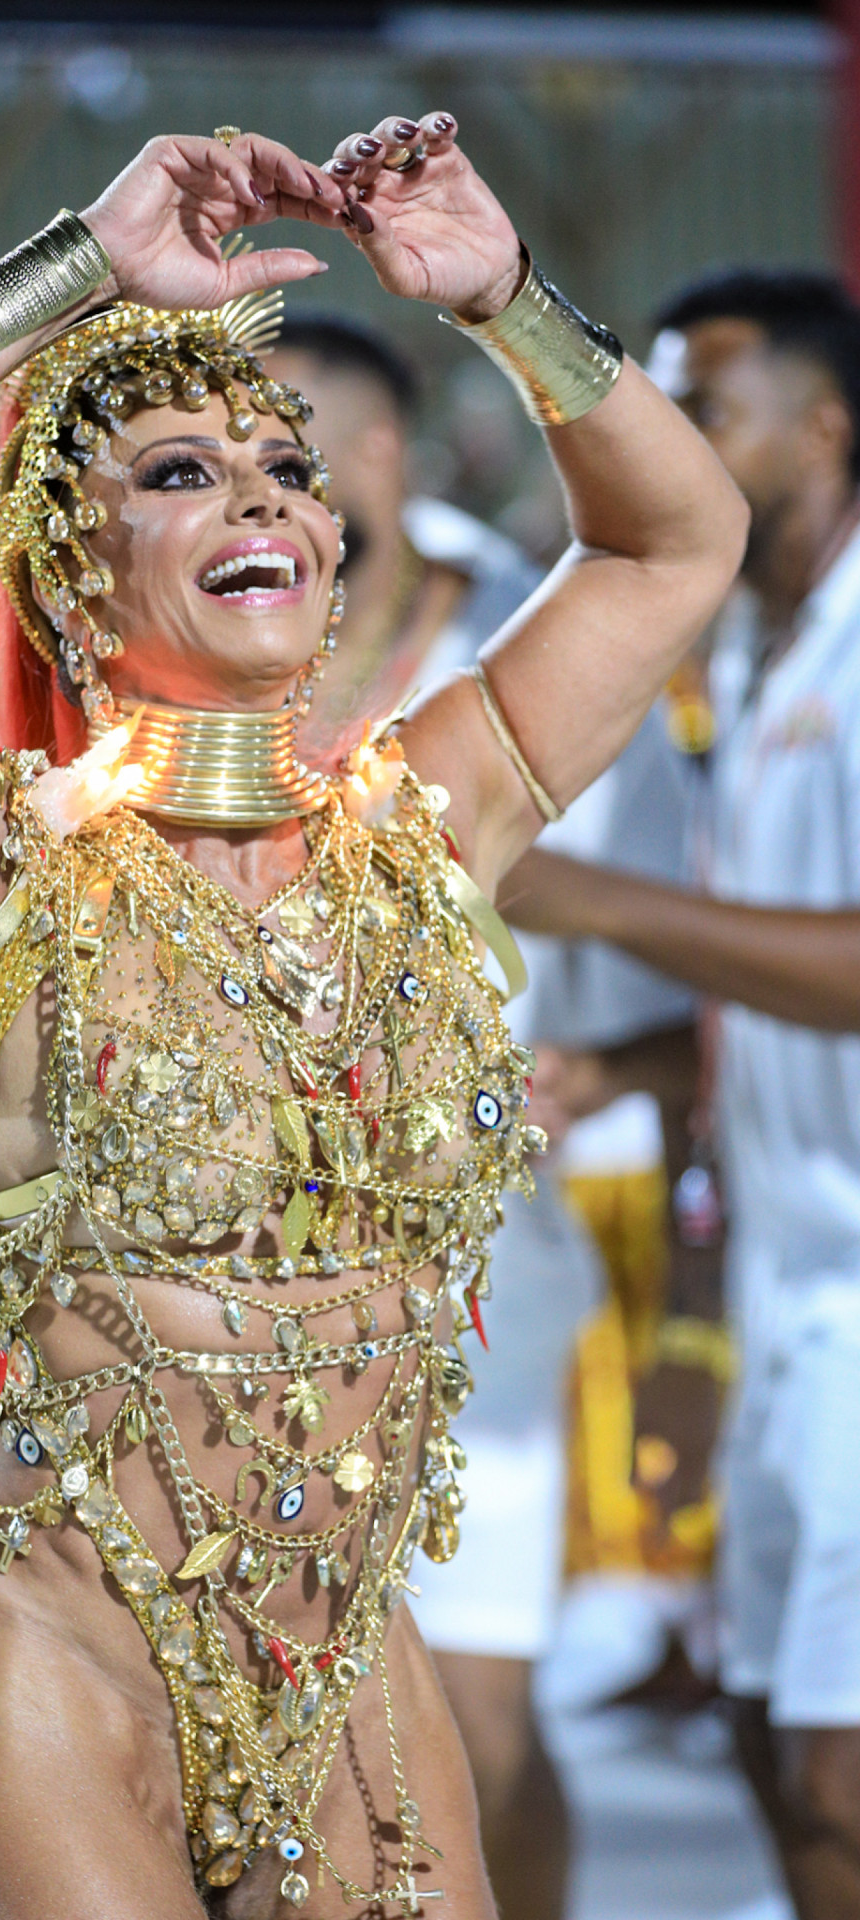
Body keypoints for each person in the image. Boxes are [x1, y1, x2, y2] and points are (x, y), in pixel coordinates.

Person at [0, 120, 745, 1919]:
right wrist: (83, 262)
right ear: (69, 564)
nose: (263, 494)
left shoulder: (427, 831)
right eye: (183, 471)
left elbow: (675, 541)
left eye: (287, 467)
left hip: (348, 1673)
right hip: (47, 1668)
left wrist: (507, 302)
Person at [269, 318, 700, 1920]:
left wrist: (594, 1079)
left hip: (473, 1310)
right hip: (217, 1313)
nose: (250, 489)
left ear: (379, 455)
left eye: (285, 440)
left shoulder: (518, 671)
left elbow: (675, 1008)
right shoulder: (165, 676)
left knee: (476, 1731)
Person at [501, 268, 860, 1920]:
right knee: (767, 1730)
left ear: (826, 425)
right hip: (785, 1282)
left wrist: (601, 908)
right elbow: (768, 998)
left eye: (704, 406)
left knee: (840, 1760)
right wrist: (619, 1068)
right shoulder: (765, 655)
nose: (674, 437)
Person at [265, 318, 542, 759]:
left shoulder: (512, 634)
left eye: (278, 467)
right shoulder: (207, 633)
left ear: (376, 450)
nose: (242, 499)